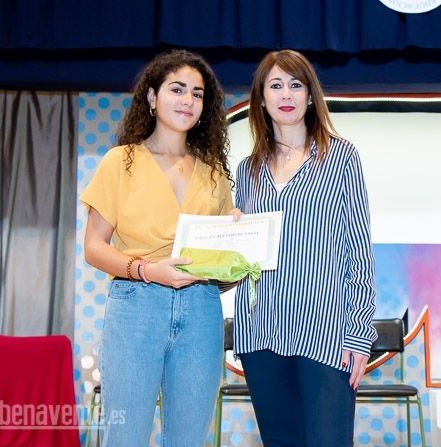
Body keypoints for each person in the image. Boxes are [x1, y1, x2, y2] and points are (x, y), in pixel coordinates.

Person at [80, 49, 234, 447]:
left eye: (197, 94)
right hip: (136, 305)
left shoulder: (215, 172)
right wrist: (147, 271)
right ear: (152, 97)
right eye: (177, 89)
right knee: (125, 437)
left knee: (188, 440)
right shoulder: (120, 161)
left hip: (202, 309)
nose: (188, 101)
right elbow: (94, 247)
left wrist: (239, 250)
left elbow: (222, 266)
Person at [233, 49, 378, 447]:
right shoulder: (247, 171)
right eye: (276, 85)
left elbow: (359, 251)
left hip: (327, 334)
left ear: (311, 96)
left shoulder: (341, 157)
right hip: (261, 332)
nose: (286, 94)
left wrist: (359, 333)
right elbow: (241, 259)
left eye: (296, 85)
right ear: (261, 98)